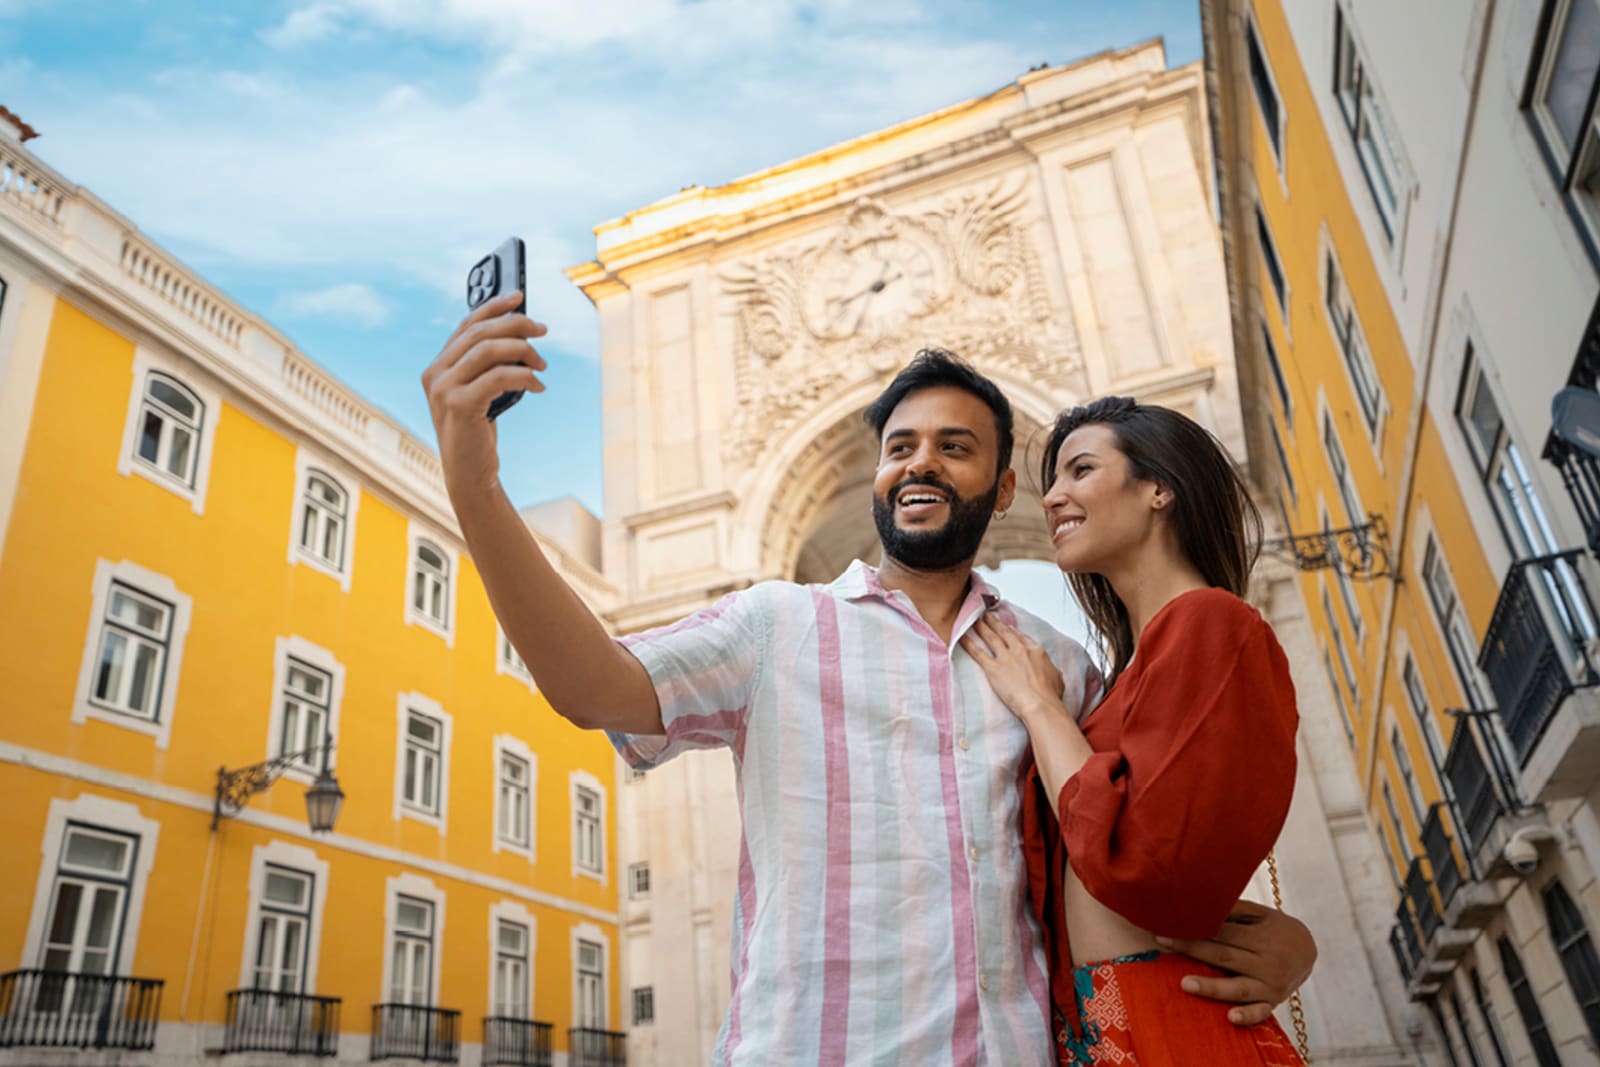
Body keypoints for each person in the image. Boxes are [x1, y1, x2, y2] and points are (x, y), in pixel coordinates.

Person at [421, 293, 1315, 1065]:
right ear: (878, 475)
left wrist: (1280, 941)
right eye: (900, 445)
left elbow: (1119, 857)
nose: (920, 461)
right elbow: (592, 688)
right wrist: (477, 489)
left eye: (954, 446)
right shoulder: (774, 625)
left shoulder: (1060, 667)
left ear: (1004, 489)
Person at [961, 396, 1305, 1064]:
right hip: (1106, 1017)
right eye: (1051, 483)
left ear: (1158, 487)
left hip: (1165, 1015)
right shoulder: (1130, 670)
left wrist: (1040, 708)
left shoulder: (1211, 621)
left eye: (1079, 469)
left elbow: (1146, 865)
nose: (1054, 497)